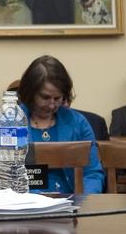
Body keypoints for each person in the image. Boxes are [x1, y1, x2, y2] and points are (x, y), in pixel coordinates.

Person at [15, 55, 104, 194]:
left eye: (57, 98)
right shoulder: (11, 123)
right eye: (45, 97)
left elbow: (92, 174)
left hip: (72, 205)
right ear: (31, 93)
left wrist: (83, 202)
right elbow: (1, 173)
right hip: (26, 206)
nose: (51, 105)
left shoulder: (79, 123)